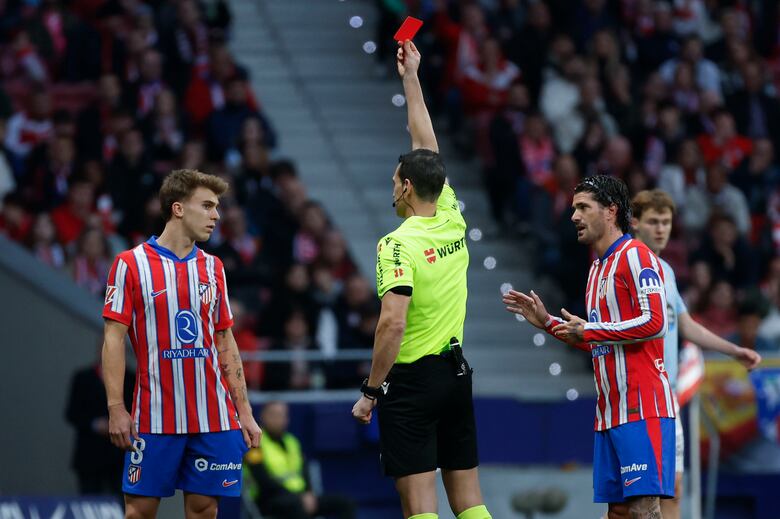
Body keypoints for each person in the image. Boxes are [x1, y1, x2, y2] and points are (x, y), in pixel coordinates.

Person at [351, 41, 492, 519]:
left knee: (421, 510)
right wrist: (411, 76)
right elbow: (425, 144)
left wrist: (371, 392)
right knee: (470, 503)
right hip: (456, 373)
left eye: (395, 181)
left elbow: (392, 324)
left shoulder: (397, 244)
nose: (393, 188)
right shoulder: (451, 214)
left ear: (407, 188)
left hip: (410, 382)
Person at [503, 175, 675, 518]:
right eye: (573, 208)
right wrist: (549, 323)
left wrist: (592, 329)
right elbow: (598, 342)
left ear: (611, 211)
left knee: (644, 510)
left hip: (643, 406)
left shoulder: (636, 256)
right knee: (619, 513)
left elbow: (655, 322)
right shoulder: (596, 270)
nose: (574, 216)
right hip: (610, 411)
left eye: (583, 207)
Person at [101, 169, 262, 519]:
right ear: (177, 208)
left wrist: (245, 411)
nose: (216, 215)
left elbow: (225, 341)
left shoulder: (214, 267)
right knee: (138, 513)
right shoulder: (130, 264)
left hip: (215, 417)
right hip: (155, 417)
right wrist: (116, 407)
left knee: (205, 511)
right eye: (207, 206)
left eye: (217, 207)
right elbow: (113, 339)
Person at [630, 189, 762, 519]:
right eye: (653, 221)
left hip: (669, 400)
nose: (661, 229)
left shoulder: (667, 272)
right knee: (634, 502)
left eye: (666, 222)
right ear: (634, 223)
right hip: (640, 401)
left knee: (673, 492)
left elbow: (686, 326)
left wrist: (733, 350)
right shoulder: (628, 269)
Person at [244, 401, 356, 519]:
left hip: (299, 496)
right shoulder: (255, 444)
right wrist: (299, 498)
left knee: (345, 503)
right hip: (268, 498)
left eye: (283, 415)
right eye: (274, 415)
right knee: (296, 505)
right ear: (263, 416)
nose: (279, 419)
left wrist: (308, 494)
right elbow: (263, 481)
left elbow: (305, 472)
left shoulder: (292, 442)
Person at [66, 343, 135, 496]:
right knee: (90, 502)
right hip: (89, 455)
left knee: (123, 501)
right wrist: (95, 424)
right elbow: (72, 413)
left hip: (120, 455)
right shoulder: (83, 378)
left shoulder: (131, 379)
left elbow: (138, 412)